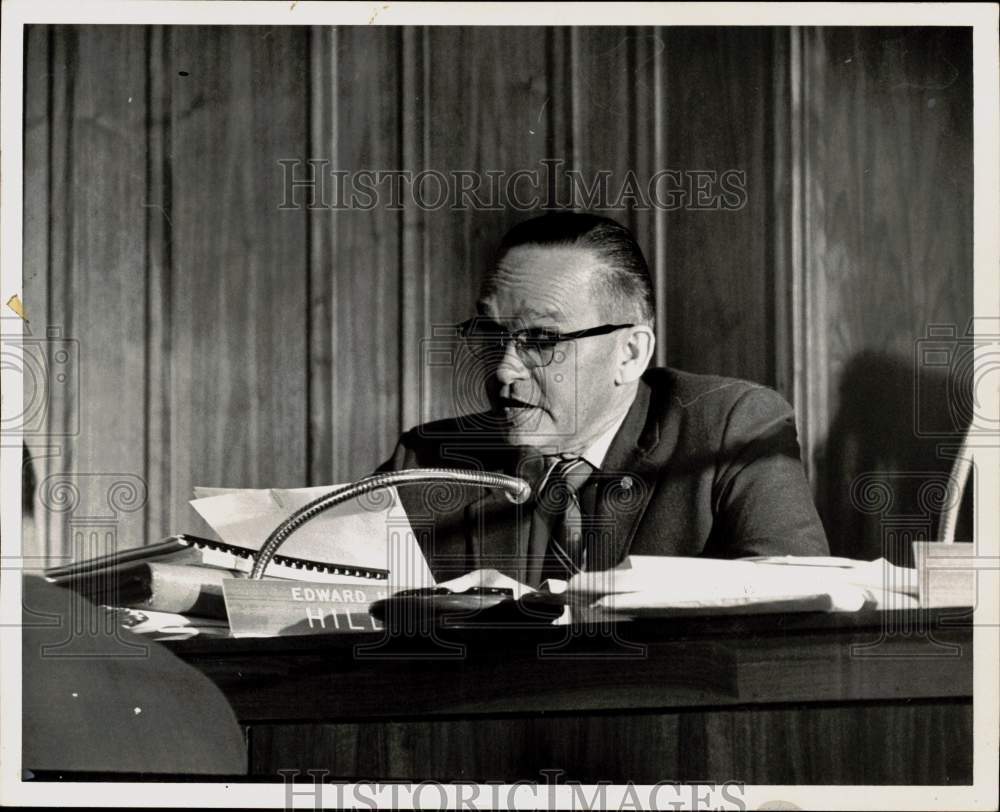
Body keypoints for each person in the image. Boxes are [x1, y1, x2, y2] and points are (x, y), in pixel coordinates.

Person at [378, 212, 829, 586]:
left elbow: (795, 617)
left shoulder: (732, 429)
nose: (503, 369)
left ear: (629, 354)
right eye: (492, 335)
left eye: (540, 338)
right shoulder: (424, 460)